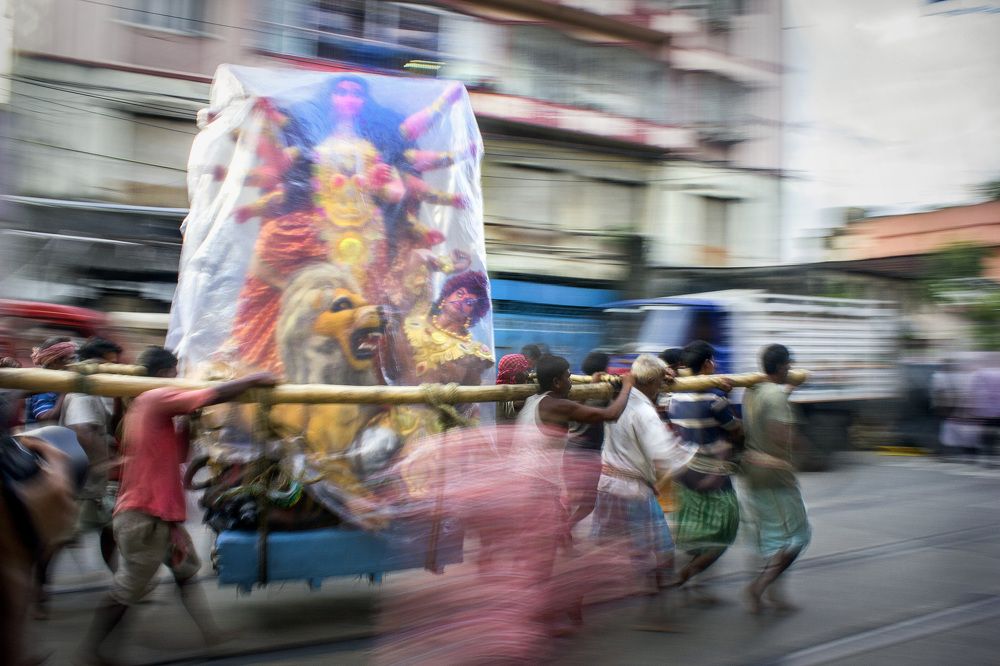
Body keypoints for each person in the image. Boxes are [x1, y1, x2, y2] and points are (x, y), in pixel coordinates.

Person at [77, 347, 277, 664]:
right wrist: (254, 378)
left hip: (162, 517)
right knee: (128, 590)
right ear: (165, 373)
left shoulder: (143, 408)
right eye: (175, 372)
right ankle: (92, 652)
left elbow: (178, 455)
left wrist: (191, 425)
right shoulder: (153, 398)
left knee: (186, 574)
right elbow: (213, 394)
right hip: (145, 517)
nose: (178, 378)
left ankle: (211, 635)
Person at [592, 354, 694, 592]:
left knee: (610, 545)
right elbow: (665, 457)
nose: (661, 388)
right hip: (632, 491)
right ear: (652, 382)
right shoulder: (645, 413)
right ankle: (656, 599)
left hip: (608, 485)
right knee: (660, 549)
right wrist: (690, 455)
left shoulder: (618, 398)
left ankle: (648, 589)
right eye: (659, 382)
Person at [667, 340, 742, 595]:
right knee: (725, 531)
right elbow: (736, 430)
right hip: (713, 473)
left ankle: (695, 573)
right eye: (713, 360)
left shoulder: (674, 397)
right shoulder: (714, 398)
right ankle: (687, 573)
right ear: (708, 363)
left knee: (697, 526)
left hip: (686, 471)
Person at [742, 344, 811, 613]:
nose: (791, 370)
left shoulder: (753, 389)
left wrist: (787, 392)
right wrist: (801, 445)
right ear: (782, 367)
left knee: (766, 535)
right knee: (798, 536)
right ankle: (761, 586)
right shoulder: (774, 397)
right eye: (789, 366)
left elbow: (770, 401)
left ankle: (770, 590)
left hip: (753, 471)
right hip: (774, 474)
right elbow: (780, 433)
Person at [563, 351, 612, 527]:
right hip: (587, 453)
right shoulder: (603, 395)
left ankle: (562, 533)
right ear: (604, 369)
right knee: (588, 503)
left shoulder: (574, 388)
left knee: (571, 498)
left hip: (570, 450)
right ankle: (564, 529)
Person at [25, 337, 76, 427]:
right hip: (42, 437)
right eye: (71, 359)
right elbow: (46, 419)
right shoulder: (42, 383)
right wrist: (66, 391)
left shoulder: (60, 380)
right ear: (55, 362)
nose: (74, 363)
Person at [494, 353, 533, 424]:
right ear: (514, 373)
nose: (526, 373)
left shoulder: (502, 385)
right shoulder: (500, 391)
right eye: (523, 370)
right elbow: (516, 405)